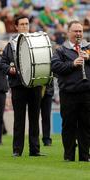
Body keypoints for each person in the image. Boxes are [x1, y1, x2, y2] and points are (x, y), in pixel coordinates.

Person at [0, 15, 42, 157]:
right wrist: (9, 70)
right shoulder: (10, 45)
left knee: (35, 118)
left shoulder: (37, 41)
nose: (25, 26)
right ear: (16, 27)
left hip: (34, 84)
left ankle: (35, 150)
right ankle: (17, 150)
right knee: (19, 119)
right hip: (17, 85)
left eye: (27, 23)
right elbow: (3, 63)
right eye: (22, 24)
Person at [51, 20, 90, 162]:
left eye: (80, 31)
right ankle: (69, 156)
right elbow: (55, 66)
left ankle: (85, 156)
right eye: (75, 31)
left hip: (86, 93)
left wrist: (88, 57)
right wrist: (72, 64)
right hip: (68, 93)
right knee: (68, 125)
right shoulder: (61, 50)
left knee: (86, 125)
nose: (78, 34)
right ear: (68, 33)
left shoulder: (88, 47)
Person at [41, 81, 54, 146]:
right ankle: (34, 141)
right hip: (35, 90)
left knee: (46, 117)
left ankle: (46, 139)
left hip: (48, 91)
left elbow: (56, 73)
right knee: (33, 117)